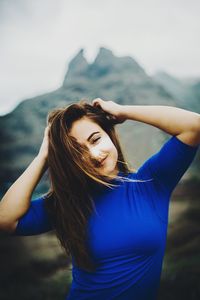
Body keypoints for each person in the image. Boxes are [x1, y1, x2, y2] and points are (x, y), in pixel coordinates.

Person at [0, 98, 199, 300]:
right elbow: (5, 219)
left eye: (95, 139)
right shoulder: (68, 205)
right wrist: (44, 155)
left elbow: (193, 126)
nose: (94, 154)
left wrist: (123, 111)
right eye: (77, 153)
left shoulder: (150, 182)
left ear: (109, 133)